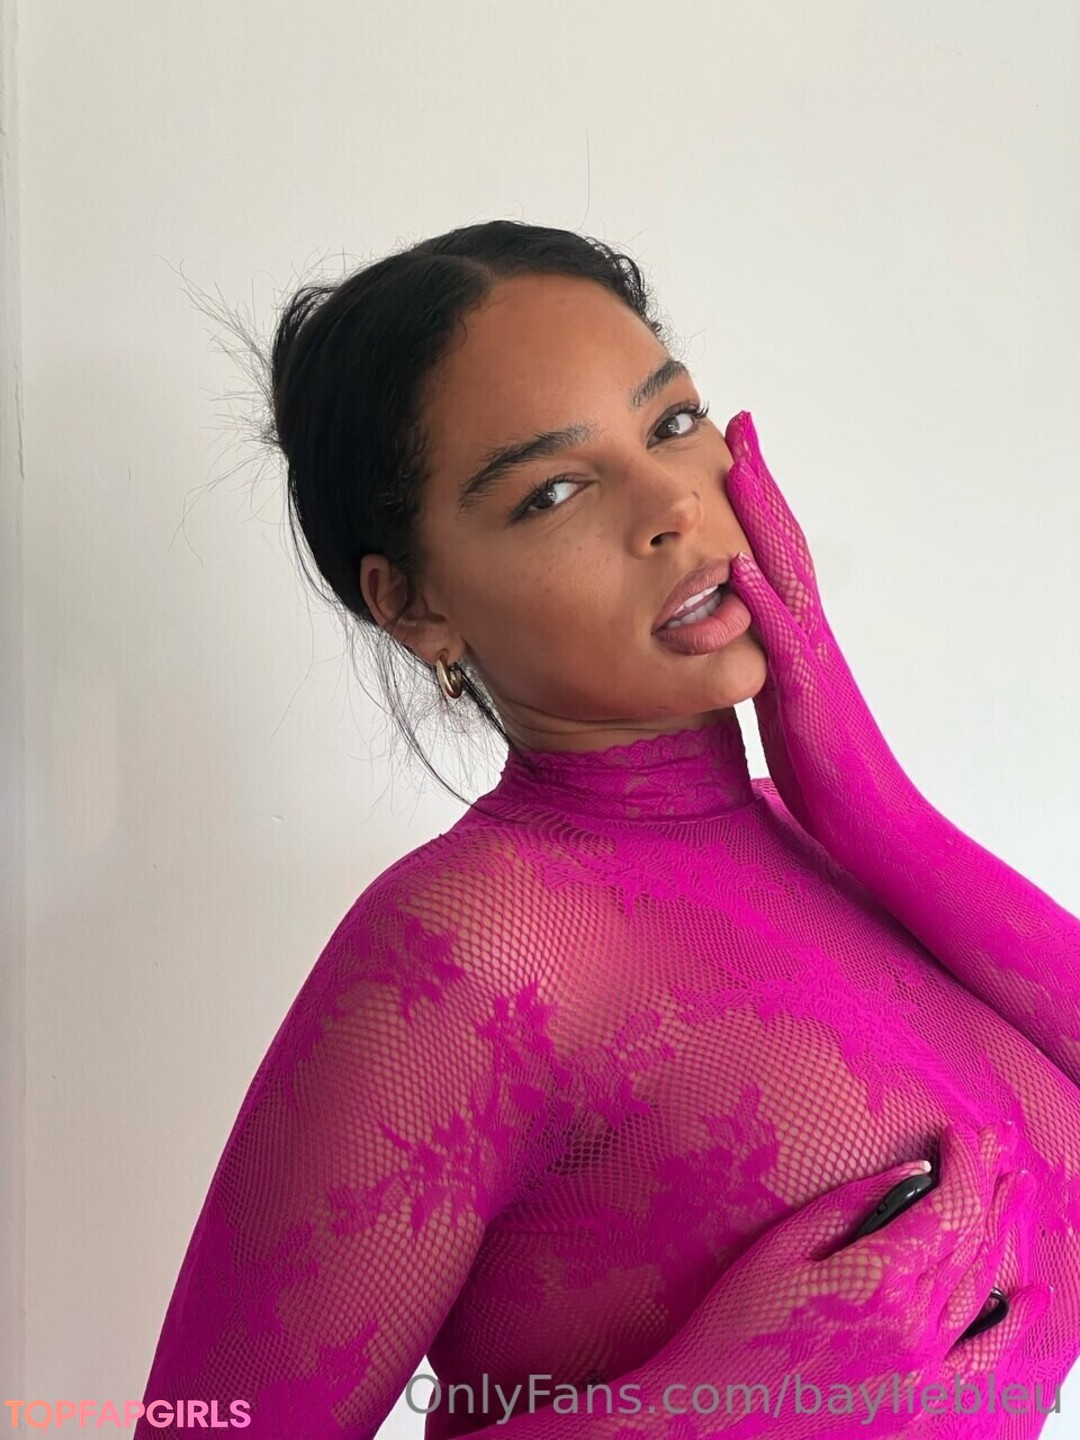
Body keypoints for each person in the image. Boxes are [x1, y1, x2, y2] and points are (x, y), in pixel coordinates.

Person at [133, 221, 1080, 1439]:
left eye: (673, 422)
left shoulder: (823, 847)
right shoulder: (463, 957)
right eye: (553, 491)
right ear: (415, 604)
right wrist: (691, 1411)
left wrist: (876, 808)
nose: (672, 504)